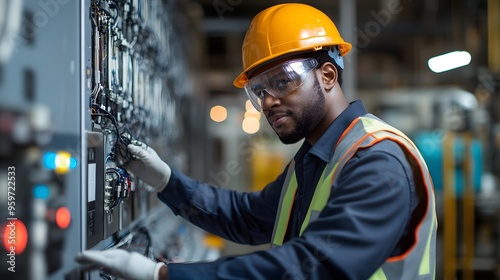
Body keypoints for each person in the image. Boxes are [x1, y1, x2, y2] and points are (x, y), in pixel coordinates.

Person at [76, 3, 437, 279]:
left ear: (328, 75)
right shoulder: (314, 159)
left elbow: (311, 266)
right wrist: (166, 181)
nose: (268, 101)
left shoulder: (378, 161)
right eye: (259, 90)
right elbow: (247, 218)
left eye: (283, 81)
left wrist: (164, 274)